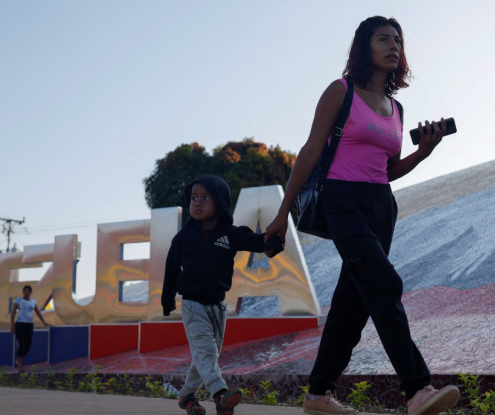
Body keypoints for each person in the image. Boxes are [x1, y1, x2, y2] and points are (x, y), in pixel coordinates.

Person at [264, 16, 460, 415]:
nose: (393, 46)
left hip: (381, 204)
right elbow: (310, 152)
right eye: (383, 39)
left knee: (352, 305)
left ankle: (317, 395)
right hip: (342, 199)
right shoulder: (340, 92)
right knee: (384, 283)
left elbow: (387, 171)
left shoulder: (396, 107)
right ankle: (418, 389)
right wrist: (282, 214)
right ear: (363, 47)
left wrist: (423, 153)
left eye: (397, 40)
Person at [161, 175, 284, 415]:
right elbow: (171, 269)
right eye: (194, 198)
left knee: (206, 355)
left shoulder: (230, 234)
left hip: (218, 308)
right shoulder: (183, 238)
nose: (197, 202)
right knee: (206, 351)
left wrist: (272, 243)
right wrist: (167, 299)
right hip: (193, 305)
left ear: (220, 202)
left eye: (205, 197)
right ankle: (219, 395)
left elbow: (258, 242)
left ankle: (186, 396)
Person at [10, 285, 49, 371]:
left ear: (31, 292)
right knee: (22, 345)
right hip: (20, 324)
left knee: (27, 346)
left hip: (29, 325)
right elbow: (13, 313)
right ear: (23, 292)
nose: (26, 292)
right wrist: (12, 325)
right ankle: (19, 364)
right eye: (25, 291)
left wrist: (44, 322)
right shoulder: (18, 300)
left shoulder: (33, 301)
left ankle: (18, 361)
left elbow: (38, 312)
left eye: (28, 291)